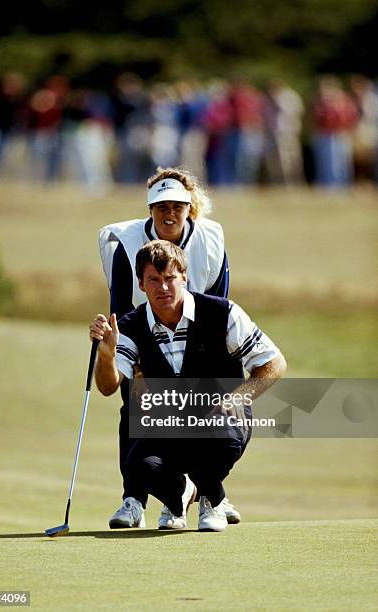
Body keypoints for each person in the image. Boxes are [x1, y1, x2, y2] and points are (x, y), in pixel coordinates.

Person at [89, 240, 287, 531]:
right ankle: (182, 493)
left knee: (217, 437)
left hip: (222, 418)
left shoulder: (222, 313)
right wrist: (106, 356)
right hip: (168, 422)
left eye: (170, 278)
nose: (163, 287)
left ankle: (211, 499)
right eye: (153, 280)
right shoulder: (130, 326)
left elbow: (274, 362)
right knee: (140, 467)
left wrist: (239, 397)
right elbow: (108, 386)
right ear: (141, 285)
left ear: (184, 277)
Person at [98, 167, 237, 527]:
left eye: (177, 206)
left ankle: (208, 493)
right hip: (140, 331)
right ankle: (134, 500)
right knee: (135, 410)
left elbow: (217, 304)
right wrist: (137, 362)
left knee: (202, 416)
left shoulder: (211, 239)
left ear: (189, 208)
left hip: (198, 335)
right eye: (162, 207)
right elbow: (120, 308)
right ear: (151, 211)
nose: (169, 213)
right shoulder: (126, 243)